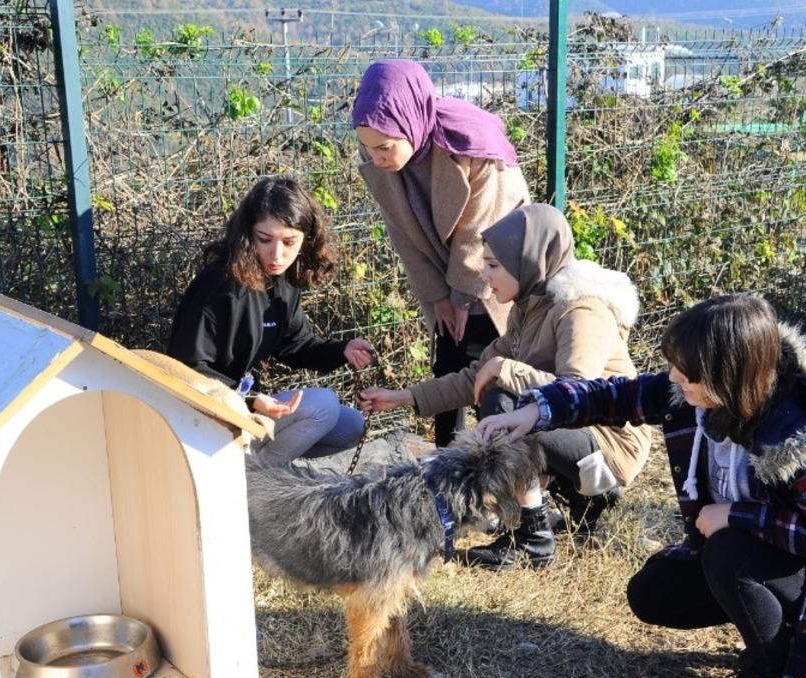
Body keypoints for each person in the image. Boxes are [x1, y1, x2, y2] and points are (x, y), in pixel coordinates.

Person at [476, 294, 806, 678]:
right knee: (654, 593)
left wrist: (734, 516)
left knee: (728, 553)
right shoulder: (701, 393)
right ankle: (774, 636)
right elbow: (617, 396)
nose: (675, 377)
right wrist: (538, 411)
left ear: (728, 374)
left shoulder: (803, 440)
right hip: (766, 558)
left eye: (688, 372)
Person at [359, 204, 651, 569]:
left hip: (609, 445)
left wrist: (507, 370)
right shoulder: (527, 307)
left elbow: (581, 392)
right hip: (573, 438)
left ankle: (532, 537)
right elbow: (475, 375)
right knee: (498, 389)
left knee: (503, 398)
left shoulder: (581, 310)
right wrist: (402, 398)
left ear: (528, 260)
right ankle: (572, 504)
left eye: (494, 265)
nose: (484, 274)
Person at [352, 58, 530, 447]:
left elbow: (480, 228)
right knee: (447, 358)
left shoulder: (473, 141)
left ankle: (497, 457)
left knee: (489, 362)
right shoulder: (381, 154)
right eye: (368, 149)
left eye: (384, 147)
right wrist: (438, 297)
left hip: (496, 268)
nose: (377, 158)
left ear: (411, 122)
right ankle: (447, 459)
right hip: (442, 272)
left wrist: (462, 295)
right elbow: (402, 235)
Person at [168, 176, 376, 464]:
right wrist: (249, 400)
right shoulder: (217, 285)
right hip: (206, 412)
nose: (277, 255)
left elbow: (297, 346)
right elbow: (185, 369)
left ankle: (251, 467)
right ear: (247, 234)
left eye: (289, 242)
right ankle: (255, 479)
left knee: (350, 426)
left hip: (243, 406)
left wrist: (342, 350)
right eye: (264, 239)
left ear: (307, 239)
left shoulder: (283, 283)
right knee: (324, 405)